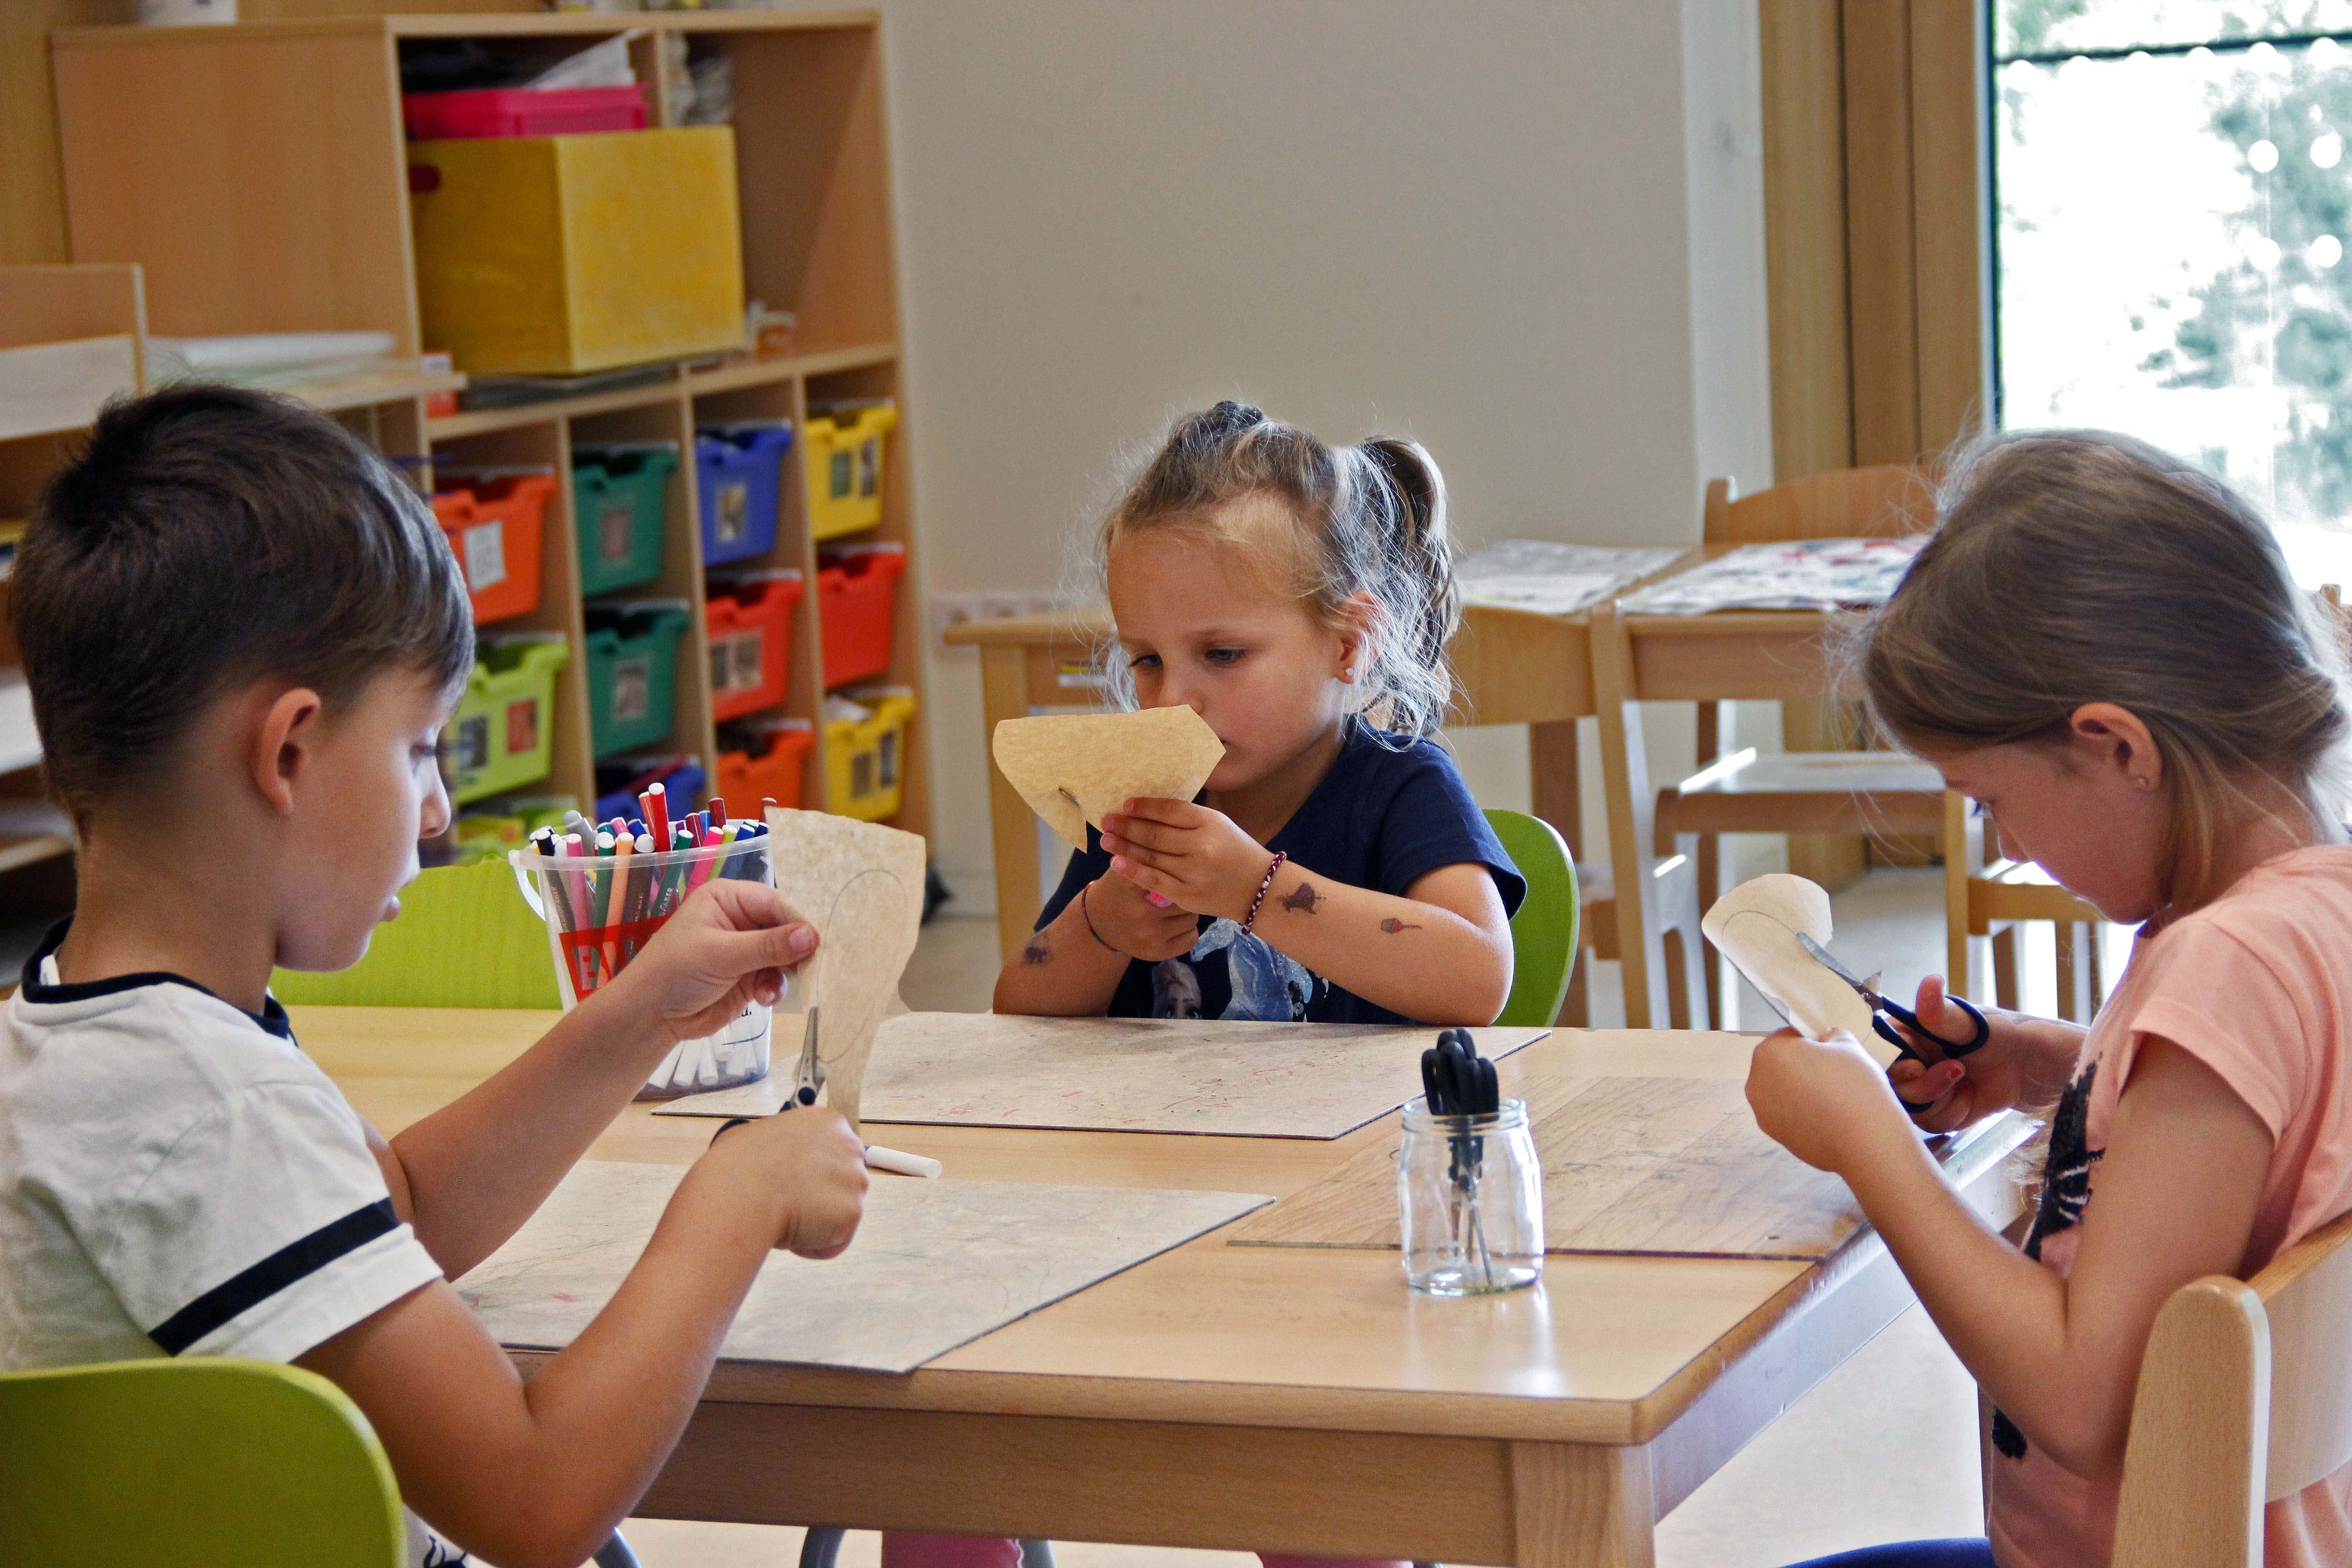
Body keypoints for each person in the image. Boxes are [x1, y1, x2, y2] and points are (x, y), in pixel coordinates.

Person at [0, 386, 869, 1568]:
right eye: (418, 749)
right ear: (289, 750)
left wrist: (635, 1016)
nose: (441, 808)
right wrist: (735, 1203)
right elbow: (535, 1498)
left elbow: (394, 1212)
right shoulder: (209, 1112)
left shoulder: (89, 1042)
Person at [1743, 431, 2352, 1568]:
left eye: (1990, 799)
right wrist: (2054, 1071)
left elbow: (2080, 1403)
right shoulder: (2312, 913)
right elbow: (2268, 1146)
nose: (2005, 848)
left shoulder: (2225, 964)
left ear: (2117, 745)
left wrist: (1870, 1144)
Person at [994, 399, 1524, 1029]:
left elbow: (1478, 979)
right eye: (1147, 659)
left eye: (1223, 654)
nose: (1172, 702)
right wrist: (1100, 927)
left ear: (1348, 644)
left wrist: (1256, 890)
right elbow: (1016, 1007)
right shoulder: (1149, 802)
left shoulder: (1401, 786)